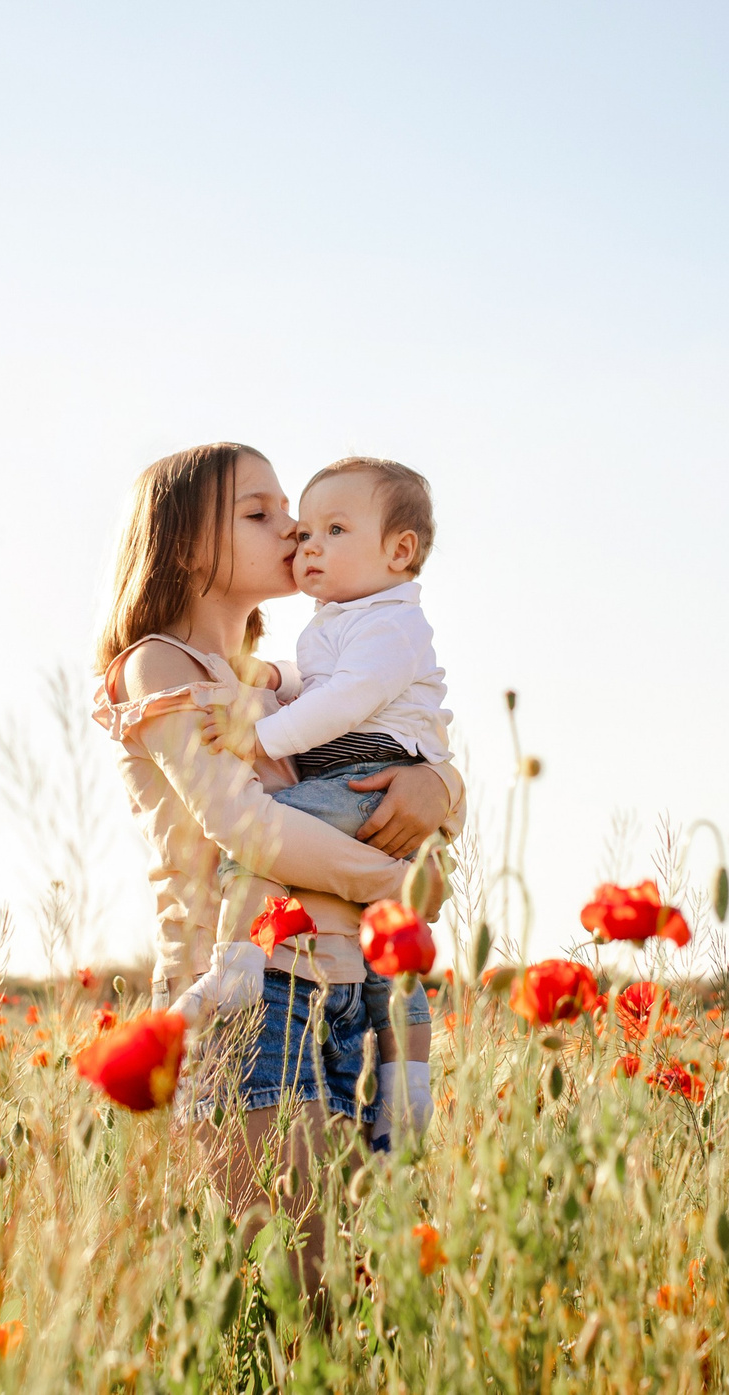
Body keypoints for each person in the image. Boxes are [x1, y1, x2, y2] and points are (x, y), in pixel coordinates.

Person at [90, 442, 461, 1291]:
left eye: (288, 508)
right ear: (185, 545)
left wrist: (440, 784)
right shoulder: (157, 665)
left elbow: (394, 748)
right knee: (301, 1286)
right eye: (259, 513)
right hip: (247, 996)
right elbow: (247, 827)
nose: (293, 528)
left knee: (367, 1287)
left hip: (347, 987)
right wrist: (396, 885)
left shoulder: (286, 682)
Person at [202, 456, 448, 1151]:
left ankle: (236, 971)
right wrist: (275, 675)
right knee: (389, 945)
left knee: (252, 847)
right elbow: (317, 678)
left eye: (333, 530)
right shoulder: (348, 618)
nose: (306, 544)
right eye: (306, 532)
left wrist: (260, 735)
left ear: (399, 550)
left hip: (363, 775)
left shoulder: (393, 625)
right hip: (365, 780)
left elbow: (344, 697)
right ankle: (408, 1083)